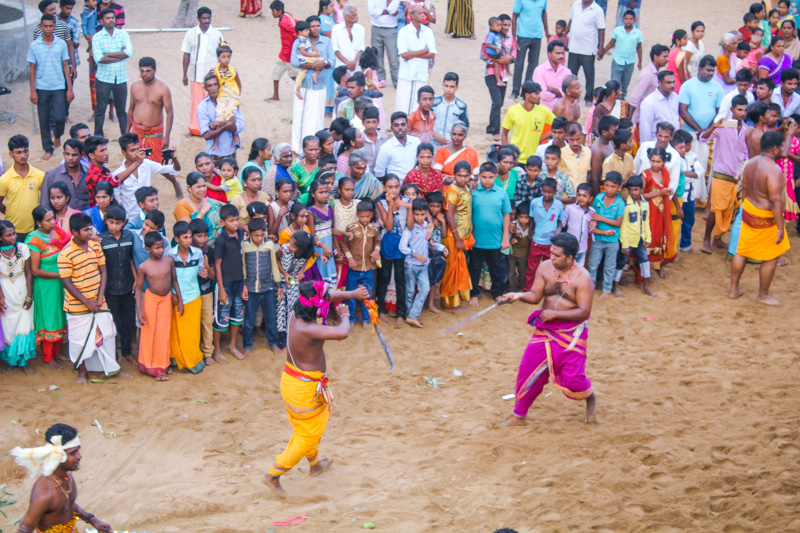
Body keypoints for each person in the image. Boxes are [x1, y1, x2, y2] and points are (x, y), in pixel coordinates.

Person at [264, 281, 369, 494]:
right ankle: (272, 475)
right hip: (303, 389)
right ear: (317, 305)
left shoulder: (298, 312)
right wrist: (346, 314)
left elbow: (326, 297)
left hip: (295, 383)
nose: (328, 298)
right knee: (307, 435)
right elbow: (342, 333)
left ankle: (315, 466)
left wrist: (353, 293)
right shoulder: (309, 328)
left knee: (309, 430)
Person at [500, 232, 597, 426]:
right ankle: (519, 416)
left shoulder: (583, 278)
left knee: (573, 380)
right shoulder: (545, 268)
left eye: (556, 255)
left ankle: (590, 397)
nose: (551, 258)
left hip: (571, 333)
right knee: (527, 371)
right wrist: (518, 296)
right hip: (545, 329)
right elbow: (535, 296)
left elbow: (584, 312)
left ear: (570, 258)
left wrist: (556, 314)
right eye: (551, 253)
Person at [58, 213, 126, 384]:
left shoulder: (95, 247)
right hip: (77, 306)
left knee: (108, 335)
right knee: (78, 340)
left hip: (99, 301)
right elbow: (66, 282)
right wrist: (86, 302)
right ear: (74, 231)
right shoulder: (65, 254)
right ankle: (82, 372)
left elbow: (103, 270)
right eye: (85, 230)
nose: (90, 232)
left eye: (90, 228)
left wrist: (100, 297)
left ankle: (111, 369)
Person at [13, 423, 114, 533]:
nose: (79, 456)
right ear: (59, 456)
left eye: (78, 451)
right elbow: (24, 529)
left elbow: (67, 503)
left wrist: (92, 520)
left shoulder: (67, 476)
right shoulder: (44, 494)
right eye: (73, 453)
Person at [730, 131, 791, 305]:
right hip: (765, 216)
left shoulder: (750, 163)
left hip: (749, 209)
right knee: (771, 256)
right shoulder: (773, 169)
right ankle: (763, 294)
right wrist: (780, 226)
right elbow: (775, 199)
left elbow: (745, 188)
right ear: (775, 148)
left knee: (741, 251)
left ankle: (734, 290)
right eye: (780, 147)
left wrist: (745, 208)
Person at [699, 96, 751, 253]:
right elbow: (702, 138)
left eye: (744, 109)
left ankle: (717, 239)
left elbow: (746, 153)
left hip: (737, 177)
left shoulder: (748, 130)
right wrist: (714, 125)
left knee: (730, 209)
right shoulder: (722, 126)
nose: (742, 113)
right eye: (739, 109)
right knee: (716, 209)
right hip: (721, 174)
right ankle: (706, 239)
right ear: (732, 110)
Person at [126, 57, 182, 200]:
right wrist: (127, 132)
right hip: (136, 131)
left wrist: (166, 136)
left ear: (155, 70)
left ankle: (175, 183)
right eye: (142, 71)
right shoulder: (134, 86)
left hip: (154, 133)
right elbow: (131, 109)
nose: (145, 74)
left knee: (159, 164)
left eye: (148, 71)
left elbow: (170, 113)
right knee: (134, 161)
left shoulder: (162, 89)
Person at [26, 207, 68, 370]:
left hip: (60, 283)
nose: (53, 222)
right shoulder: (34, 239)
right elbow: (35, 270)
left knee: (59, 314)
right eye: (48, 220)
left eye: (53, 219)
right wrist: (60, 276)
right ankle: (47, 356)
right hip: (45, 285)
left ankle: (56, 352)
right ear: (38, 223)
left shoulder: (56, 232)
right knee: (49, 316)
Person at [134, 231, 180, 381]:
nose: (160, 251)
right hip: (151, 300)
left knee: (163, 332)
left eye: (161, 247)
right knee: (150, 333)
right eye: (156, 248)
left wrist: (178, 297)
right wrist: (139, 310)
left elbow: (174, 280)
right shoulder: (143, 267)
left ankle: (163, 364)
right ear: (148, 249)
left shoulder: (168, 261)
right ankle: (150, 366)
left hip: (166, 299)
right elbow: (139, 289)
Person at [28, 14, 74, 161]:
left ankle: (58, 136)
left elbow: (65, 65)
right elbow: (32, 68)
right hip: (41, 87)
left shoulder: (61, 44)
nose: (48, 29)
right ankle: (48, 148)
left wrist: (70, 88)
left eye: (50, 26)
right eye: (45, 26)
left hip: (59, 86)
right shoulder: (35, 45)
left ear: (55, 26)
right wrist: (33, 90)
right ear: (41, 27)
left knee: (60, 117)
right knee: (44, 118)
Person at [96, 204, 135, 364]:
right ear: (106, 221)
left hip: (128, 287)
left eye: (118, 223)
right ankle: (115, 353)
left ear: (124, 223)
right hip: (110, 289)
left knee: (129, 321)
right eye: (111, 222)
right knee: (115, 322)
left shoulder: (129, 238)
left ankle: (127, 351)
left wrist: (135, 281)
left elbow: (133, 260)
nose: (114, 226)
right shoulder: (100, 240)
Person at [468, 162, 511, 306]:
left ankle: (497, 293)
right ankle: (474, 293)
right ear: (479, 176)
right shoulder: (472, 191)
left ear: (496, 176)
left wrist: (505, 238)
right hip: (476, 239)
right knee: (474, 268)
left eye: (491, 177)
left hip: (495, 239)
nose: (487, 180)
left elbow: (506, 215)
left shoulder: (501, 192)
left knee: (496, 268)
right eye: (484, 177)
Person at [291, 17, 335, 155]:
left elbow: (332, 61)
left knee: (316, 117)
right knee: (300, 116)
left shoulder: (326, 42)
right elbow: (294, 61)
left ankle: (315, 148)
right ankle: (298, 149)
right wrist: (313, 65)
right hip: (303, 86)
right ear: (307, 29)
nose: (316, 28)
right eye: (313, 26)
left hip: (320, 86)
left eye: (318, 26)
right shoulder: (299, 42)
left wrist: (324, 63)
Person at [113, 133, 179, 221]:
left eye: (138, 149)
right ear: (123, 152)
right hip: (130, 218)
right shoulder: (117, 174)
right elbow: (116, 200)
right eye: (132, 150)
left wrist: (174, 159)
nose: (137, 153)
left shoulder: (147, 164)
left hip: (149, 216)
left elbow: (173, 169)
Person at [168, 221, 206, 373]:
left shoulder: (197, 253)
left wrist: (202, 272)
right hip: (176, 298)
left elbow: (200, 271)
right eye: (185, 237)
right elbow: (167, 278)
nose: (189, 240)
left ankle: (192, 361)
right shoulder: (169, 255)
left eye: (190, 237)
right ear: (177, 239)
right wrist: (172, 294)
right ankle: (178, 361)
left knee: (192, 332)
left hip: (193, 296)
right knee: (176, 332)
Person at [241, 218, 283, 354]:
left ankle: (272, 343)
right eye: (256, 235)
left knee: (270, 318)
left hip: (268, 288)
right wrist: (244, 286)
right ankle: (247, 346)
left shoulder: (269, 244)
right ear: (250, 234)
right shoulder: (245, 246)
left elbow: (274, 266)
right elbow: (243, 267)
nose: (259, 238)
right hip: (251, 289)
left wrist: (279, 285)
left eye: (262, 235)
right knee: (249, 320)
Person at [181, 7, 223, 136]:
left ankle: (212, 128)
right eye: (203, 18)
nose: (206, 21)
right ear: (198, 19)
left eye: (208, 18)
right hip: (196, 75)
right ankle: (195, 129)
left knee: (213, 102)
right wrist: (185, 74)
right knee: (197, 103)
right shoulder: (190, 33)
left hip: (212, 78)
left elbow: (223, 56)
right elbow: (186, 54)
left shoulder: (217, 35)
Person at [213, 204, 246, 362]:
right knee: (221, 316)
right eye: (231, 220)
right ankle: (217, 349)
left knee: (237, 314)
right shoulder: (220, 240)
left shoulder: (241, 233)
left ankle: (232, 345)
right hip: (225, 283)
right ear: (222, 222)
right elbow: (217, 265)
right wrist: (220, 288)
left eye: (237, 220)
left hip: (239, 281)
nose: (235, 223)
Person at [0, 221, 34, 375]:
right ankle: (11, 361)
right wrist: (0, 297)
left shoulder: (23, 248)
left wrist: (29, 296)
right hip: (6, 291)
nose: (13, 237)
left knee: (25, 326)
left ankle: (23, 362)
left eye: (14, 233)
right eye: (8, 235)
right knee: (9, 329)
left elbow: (28, 272)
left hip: (22, 289)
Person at [398, 198, 438, 327]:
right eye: (416, 214)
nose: (419, 217)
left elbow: (429, 242)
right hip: (411, 264)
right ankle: (410, 315)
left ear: (426, 213)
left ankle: (411, 316)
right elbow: (402, 247)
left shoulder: (427, 226)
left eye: (422, 214)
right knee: (409, 291)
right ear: (412, 214)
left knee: (424, 289)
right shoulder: (409, 229)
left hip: (423, 265)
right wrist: (415, 254)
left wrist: (437, 246)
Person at [614, 173, 656, 296]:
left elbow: (646, 221)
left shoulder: (645, 203)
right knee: (621, 263)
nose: (633, 192)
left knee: (645, 262)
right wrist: (625, 244)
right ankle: (615, 285)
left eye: (636, 189)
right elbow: (624, 225)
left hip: (640, 239)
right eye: (630, 190)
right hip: (628, 240)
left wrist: (648, 237)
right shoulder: (626, 205)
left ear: (642, 190)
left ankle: (646, 285)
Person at [91, 8, 131, 137]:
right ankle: (98, 137)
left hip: (120, 78)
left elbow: (128, 53)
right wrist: (120, 55)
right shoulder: (97, 37)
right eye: (108, 18)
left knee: (121, 112)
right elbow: (99, 59)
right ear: (102, 21)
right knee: (100, 110)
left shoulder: (123, 34)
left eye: (113, 17)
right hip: (103, 79)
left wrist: (108, 54)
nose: (111, 20)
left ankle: (125, 139)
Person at [679, 56, 724, 167]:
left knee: (706, 168)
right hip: (691, 134)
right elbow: (682, 111)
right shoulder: (687, 86)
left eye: (713, 71)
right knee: (691, 166)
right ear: (700, 68)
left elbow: (720, 112)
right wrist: (698, 129)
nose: (711, 73)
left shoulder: (718, 88)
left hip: (711, 135)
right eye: (708, 70)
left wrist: (708, 130)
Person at [587, 171, 625, 298]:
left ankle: (606, 290)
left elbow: (618, 223)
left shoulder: (620, 203)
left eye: (613, 186)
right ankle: (590, 287)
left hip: (612, 240)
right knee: (593, 264)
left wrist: (600, 218)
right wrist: (593, 222)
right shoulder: (598, 198)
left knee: (609, 266)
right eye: (607, 185)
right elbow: (593, 215)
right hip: (597, 237)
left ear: (619, 187)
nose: (609, 189)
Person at [0, 135, 45, 242]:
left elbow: (44, 200)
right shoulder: (4, 179)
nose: (23, 155)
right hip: (13, 231)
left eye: (25, 151)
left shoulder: (39, 175)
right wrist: (10, 212)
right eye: (18, 152)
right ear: (11, 154)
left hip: (36, 228)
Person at [523, 177, 564, 291]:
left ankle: (548, 290)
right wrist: (531, 233)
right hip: (537, 240)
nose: (547, 194)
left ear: (555, 192)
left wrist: (557, 233)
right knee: (532, 267)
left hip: (551, 242)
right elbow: (531, 219)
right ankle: (528, 290)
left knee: (551, 267)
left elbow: (560, 222)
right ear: (541, 190)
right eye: (544, 191)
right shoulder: (535, 203)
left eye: (550, 192)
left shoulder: (559, 205)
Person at [396, 3, 437, 115]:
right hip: (406, 74)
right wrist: (423, 51)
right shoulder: (403, 32)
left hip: (421, 73)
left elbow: (432, 54)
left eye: (423, 13)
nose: (423, 15)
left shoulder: (428, 31)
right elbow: (404, 54)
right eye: (419, 13)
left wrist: (412, 54)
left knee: (419, 105)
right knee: (403, 104)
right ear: (412, 16)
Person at [501, 82, 555, 162]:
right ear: (527, 95)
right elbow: (504, 133)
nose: (539, 96)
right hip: (516, 159)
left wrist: (544, 137)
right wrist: (506, 155)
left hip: (535, 158)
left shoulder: (544, 111)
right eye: (536, 94)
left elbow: (558, 125)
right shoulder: (513, 110)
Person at [566, 0, 606, 107]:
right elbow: (570, 21)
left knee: (589, 75)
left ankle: (588, 97)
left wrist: (600, 48)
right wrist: (565, 35)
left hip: (588, 49)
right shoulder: (575, 5)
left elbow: (601, 30)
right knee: (571, 74)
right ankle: (570, 95)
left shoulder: (597, 10)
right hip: (573, 47)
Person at [641, 147, 674, 277]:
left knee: (660, 236)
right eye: (653, 161)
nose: (655, 164)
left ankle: (658, 265)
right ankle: (645, 269)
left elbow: (665, 188)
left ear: (664, 162)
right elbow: (641, 195)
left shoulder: (665, 172)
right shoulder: (645, 175)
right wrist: (659, 193)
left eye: (658, 162)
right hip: (649, 212)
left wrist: (666, 192)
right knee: (650, 237)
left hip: (661, 212)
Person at [197, 74, 244, 163]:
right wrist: (227, 126)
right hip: (213, 154)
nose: (213, 88)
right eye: (210, 86)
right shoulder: (202, 107)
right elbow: (206, 135)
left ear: (219, 85)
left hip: (230, 151)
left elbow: (240, 126)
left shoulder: (230, 101)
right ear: (205, 88)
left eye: (215, 84)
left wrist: (217, 124)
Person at [510, 0, 549, 100]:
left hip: (537, 36)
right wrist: (514, 36)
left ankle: (526, 91)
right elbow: (514, 16)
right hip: (522, 35)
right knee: (519, 64)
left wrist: (546, 31)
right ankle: (515, 90)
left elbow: (544, 13)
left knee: (533, 65)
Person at [600, 9, 642, 99]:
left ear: (634, 20)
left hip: (630, 62)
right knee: (615, 83)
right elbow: (612, 43)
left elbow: (639, 48)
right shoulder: (618, 30)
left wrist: (640, 61)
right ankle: (612, 100)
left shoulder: (638, 33)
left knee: (625, 85)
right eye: (626, 19)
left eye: (631, 19)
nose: (628, 21)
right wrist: (602, 52)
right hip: (617, 61)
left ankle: (621, 102)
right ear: (623, 20)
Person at [174, 172, 225, 244]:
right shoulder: (182, 205)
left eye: (204, 186)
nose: (202, 189)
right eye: (198, 187)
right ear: (189, 188)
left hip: (214, 248)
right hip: (192, 249)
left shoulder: (211, 202)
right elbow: (187, 232)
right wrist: (203, 211)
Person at [41, 140, 90, 211]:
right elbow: (45, 203)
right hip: (61, 220)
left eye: (74, 155)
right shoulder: (52, 175)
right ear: (63, 154)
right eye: (67, 154)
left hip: (87, 219)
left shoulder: (89, 173)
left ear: (81, 155)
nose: (70, 158)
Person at [629, 44, 670, 125]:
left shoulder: (656, 72)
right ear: (655, 57)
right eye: (664, 57)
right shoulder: (648, 75)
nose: (667, 59)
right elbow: (635, 98)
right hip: (643, 117)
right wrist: (628, 120)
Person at [374, 112, 422, 178]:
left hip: (414, 185)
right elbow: (379, 173)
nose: (400, 128)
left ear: (407, 125)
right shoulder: (385, 148)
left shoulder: (416, 142)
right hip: (395, 186)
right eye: (396, 125)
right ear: (391, 127)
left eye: (403, 124)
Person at [639, 71, 680, 144]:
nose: (672, 85)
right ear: (660, 83)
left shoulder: (675, 97)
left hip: (675, 143)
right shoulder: (649, 102)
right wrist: (647, 148)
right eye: (668, 83)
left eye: (673, 82)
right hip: (658, 144)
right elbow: (645, 129)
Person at [431, 72, 469, 152]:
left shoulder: (461, 106)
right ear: (442, 85)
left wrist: (456, 141)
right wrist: (434, 134)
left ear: (457, 87)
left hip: (452, 146)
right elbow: (424, 122)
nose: (448, 90)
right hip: (433, 143)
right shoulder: (434, 102)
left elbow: (465, 127)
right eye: (446, 86)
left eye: (452, 87)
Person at [268, 0, 298, 101]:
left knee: (293, 75)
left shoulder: (284, 22)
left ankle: (303, 89)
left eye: (273, 11)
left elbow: (294, 30)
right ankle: (275, 96)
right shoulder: (287, 16)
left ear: (279, 11)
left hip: (288, 54)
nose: (272, 13)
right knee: (276, 72)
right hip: (284, 54)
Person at [531, 40, 571, 111]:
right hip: (544, 111)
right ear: (549, 54)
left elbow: (569, 93)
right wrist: (560, 94)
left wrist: (552, 90)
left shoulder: (567, 72)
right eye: (557, 53)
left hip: (562, 112)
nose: (561, 56)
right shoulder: (539, 70)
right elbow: (542, 94)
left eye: (562, 53)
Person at [368, 0, 400, 87]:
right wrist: (385, 11)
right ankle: (380, 79)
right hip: (376, 27)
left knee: (393, 58)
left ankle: (397, 81)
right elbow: (371, 11)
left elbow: (391, 10)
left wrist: (381, 11)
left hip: (391, 29)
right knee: (377, 56)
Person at [590, 115, 619, 193]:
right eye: (614, 130)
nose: (617, 132)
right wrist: (598, 199)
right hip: (603, 190)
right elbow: (594, 178)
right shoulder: (597, 150)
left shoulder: (609, 142)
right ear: (605, 132)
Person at [332, 4, 366, 72]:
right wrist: (347, 63)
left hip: (357, 66)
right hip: (341, 66)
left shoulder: (360, 28)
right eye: (354, 15)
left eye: (356, 14)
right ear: (347, 17)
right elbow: (335, 49)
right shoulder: (336, 29)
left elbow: (361, 48)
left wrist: (354, 63)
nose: (357, 17)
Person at [559, 122, 592, 191]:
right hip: (567, 197)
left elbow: (588, 175)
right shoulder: (561, 153)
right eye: (571, 140)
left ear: (582, 136)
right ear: (566, 137)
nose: (575, 143)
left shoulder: (588, 152)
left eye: (578, 139)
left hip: (583, 197)